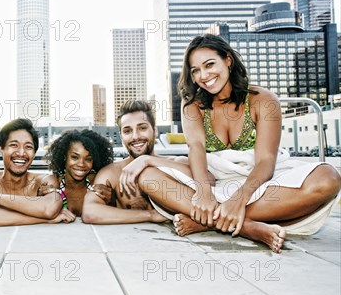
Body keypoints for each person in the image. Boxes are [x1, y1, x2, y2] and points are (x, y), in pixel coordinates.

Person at [124, 34, 341, 253]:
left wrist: (239, 199)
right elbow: (196, 149)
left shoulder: (264, 100)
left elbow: (266, 160)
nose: (204, 75)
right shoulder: (192, 106)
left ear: (228, 60)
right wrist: (204, 193)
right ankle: (246, 227)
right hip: (214, 181)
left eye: (209, 65)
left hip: (260, 182)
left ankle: (206, 221)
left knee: (327, 178)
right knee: (148, 177)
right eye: (195, 70)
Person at [82, 100, 192, 224]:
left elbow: (209, 189)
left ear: (154, 130)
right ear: (121, 136)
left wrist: (148, 161)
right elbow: (90, 212)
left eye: (142, 128)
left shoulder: (178, 162)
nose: (135, 136)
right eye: (127, 131)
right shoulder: (112, 173)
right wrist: (150, 215)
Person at [0, 118, 75, 226]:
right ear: (1, 149)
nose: (21, 153)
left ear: (34, 153)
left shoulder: (44, 180)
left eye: (28, 147)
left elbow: (48, 209)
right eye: (14, 145)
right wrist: (45, 219)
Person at [44, 129, 114, 216]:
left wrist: (111, 201)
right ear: (64, 157)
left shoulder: (97, 183)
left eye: (88, 159)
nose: (81, 164)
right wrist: (40, 198)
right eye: (75, 157)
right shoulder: (54, 184)